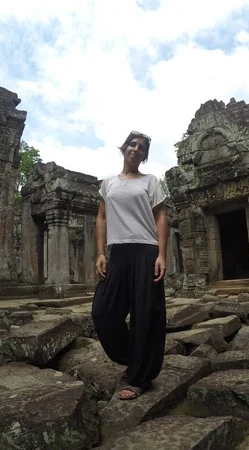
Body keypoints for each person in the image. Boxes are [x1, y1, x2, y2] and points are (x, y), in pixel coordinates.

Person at [91, 130, 168, 400]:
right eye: (132, 144)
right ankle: (135, 359)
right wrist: (101, 253)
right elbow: (101, 218)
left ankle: (139, 377)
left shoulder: (150, 181)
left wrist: (162, 255)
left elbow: (160, 218)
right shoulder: (108, 183)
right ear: (124, 148)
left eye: (142, 147)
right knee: (103, 312)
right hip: (118, 253)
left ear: (145, 156)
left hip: (146, 252)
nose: (136, 149)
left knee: (145, 315)